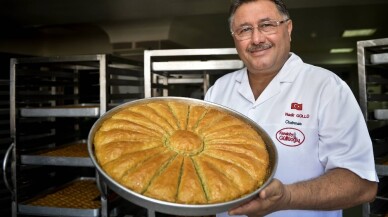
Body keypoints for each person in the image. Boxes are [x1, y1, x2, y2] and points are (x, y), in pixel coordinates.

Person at [204, 0, 378, 216]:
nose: (257, 39)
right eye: (245, 30)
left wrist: (287, 197)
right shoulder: (219, 90)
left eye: (267, 25)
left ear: (288, 28)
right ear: (235, 38)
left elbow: (362, 185)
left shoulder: (326, 87)